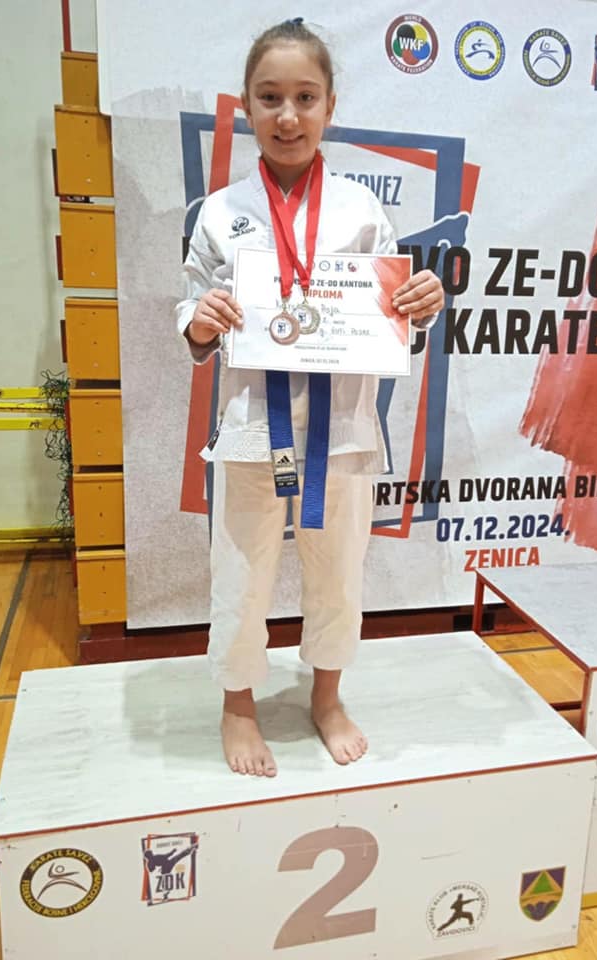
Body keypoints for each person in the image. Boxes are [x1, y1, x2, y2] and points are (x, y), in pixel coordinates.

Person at [176, 19, 444, 778]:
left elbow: (391, 318)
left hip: (346, 430)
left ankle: (327, 697)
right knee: (241, 573)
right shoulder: (221, 212)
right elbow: (190, 305)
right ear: (246, 107)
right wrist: (199, 318)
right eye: (270, 98)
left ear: (330, 105)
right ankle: (238, 705)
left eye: (305, 97)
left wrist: (419, 304)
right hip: (250, 429)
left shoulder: (362, 211)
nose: (288, 115)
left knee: (339, 572)